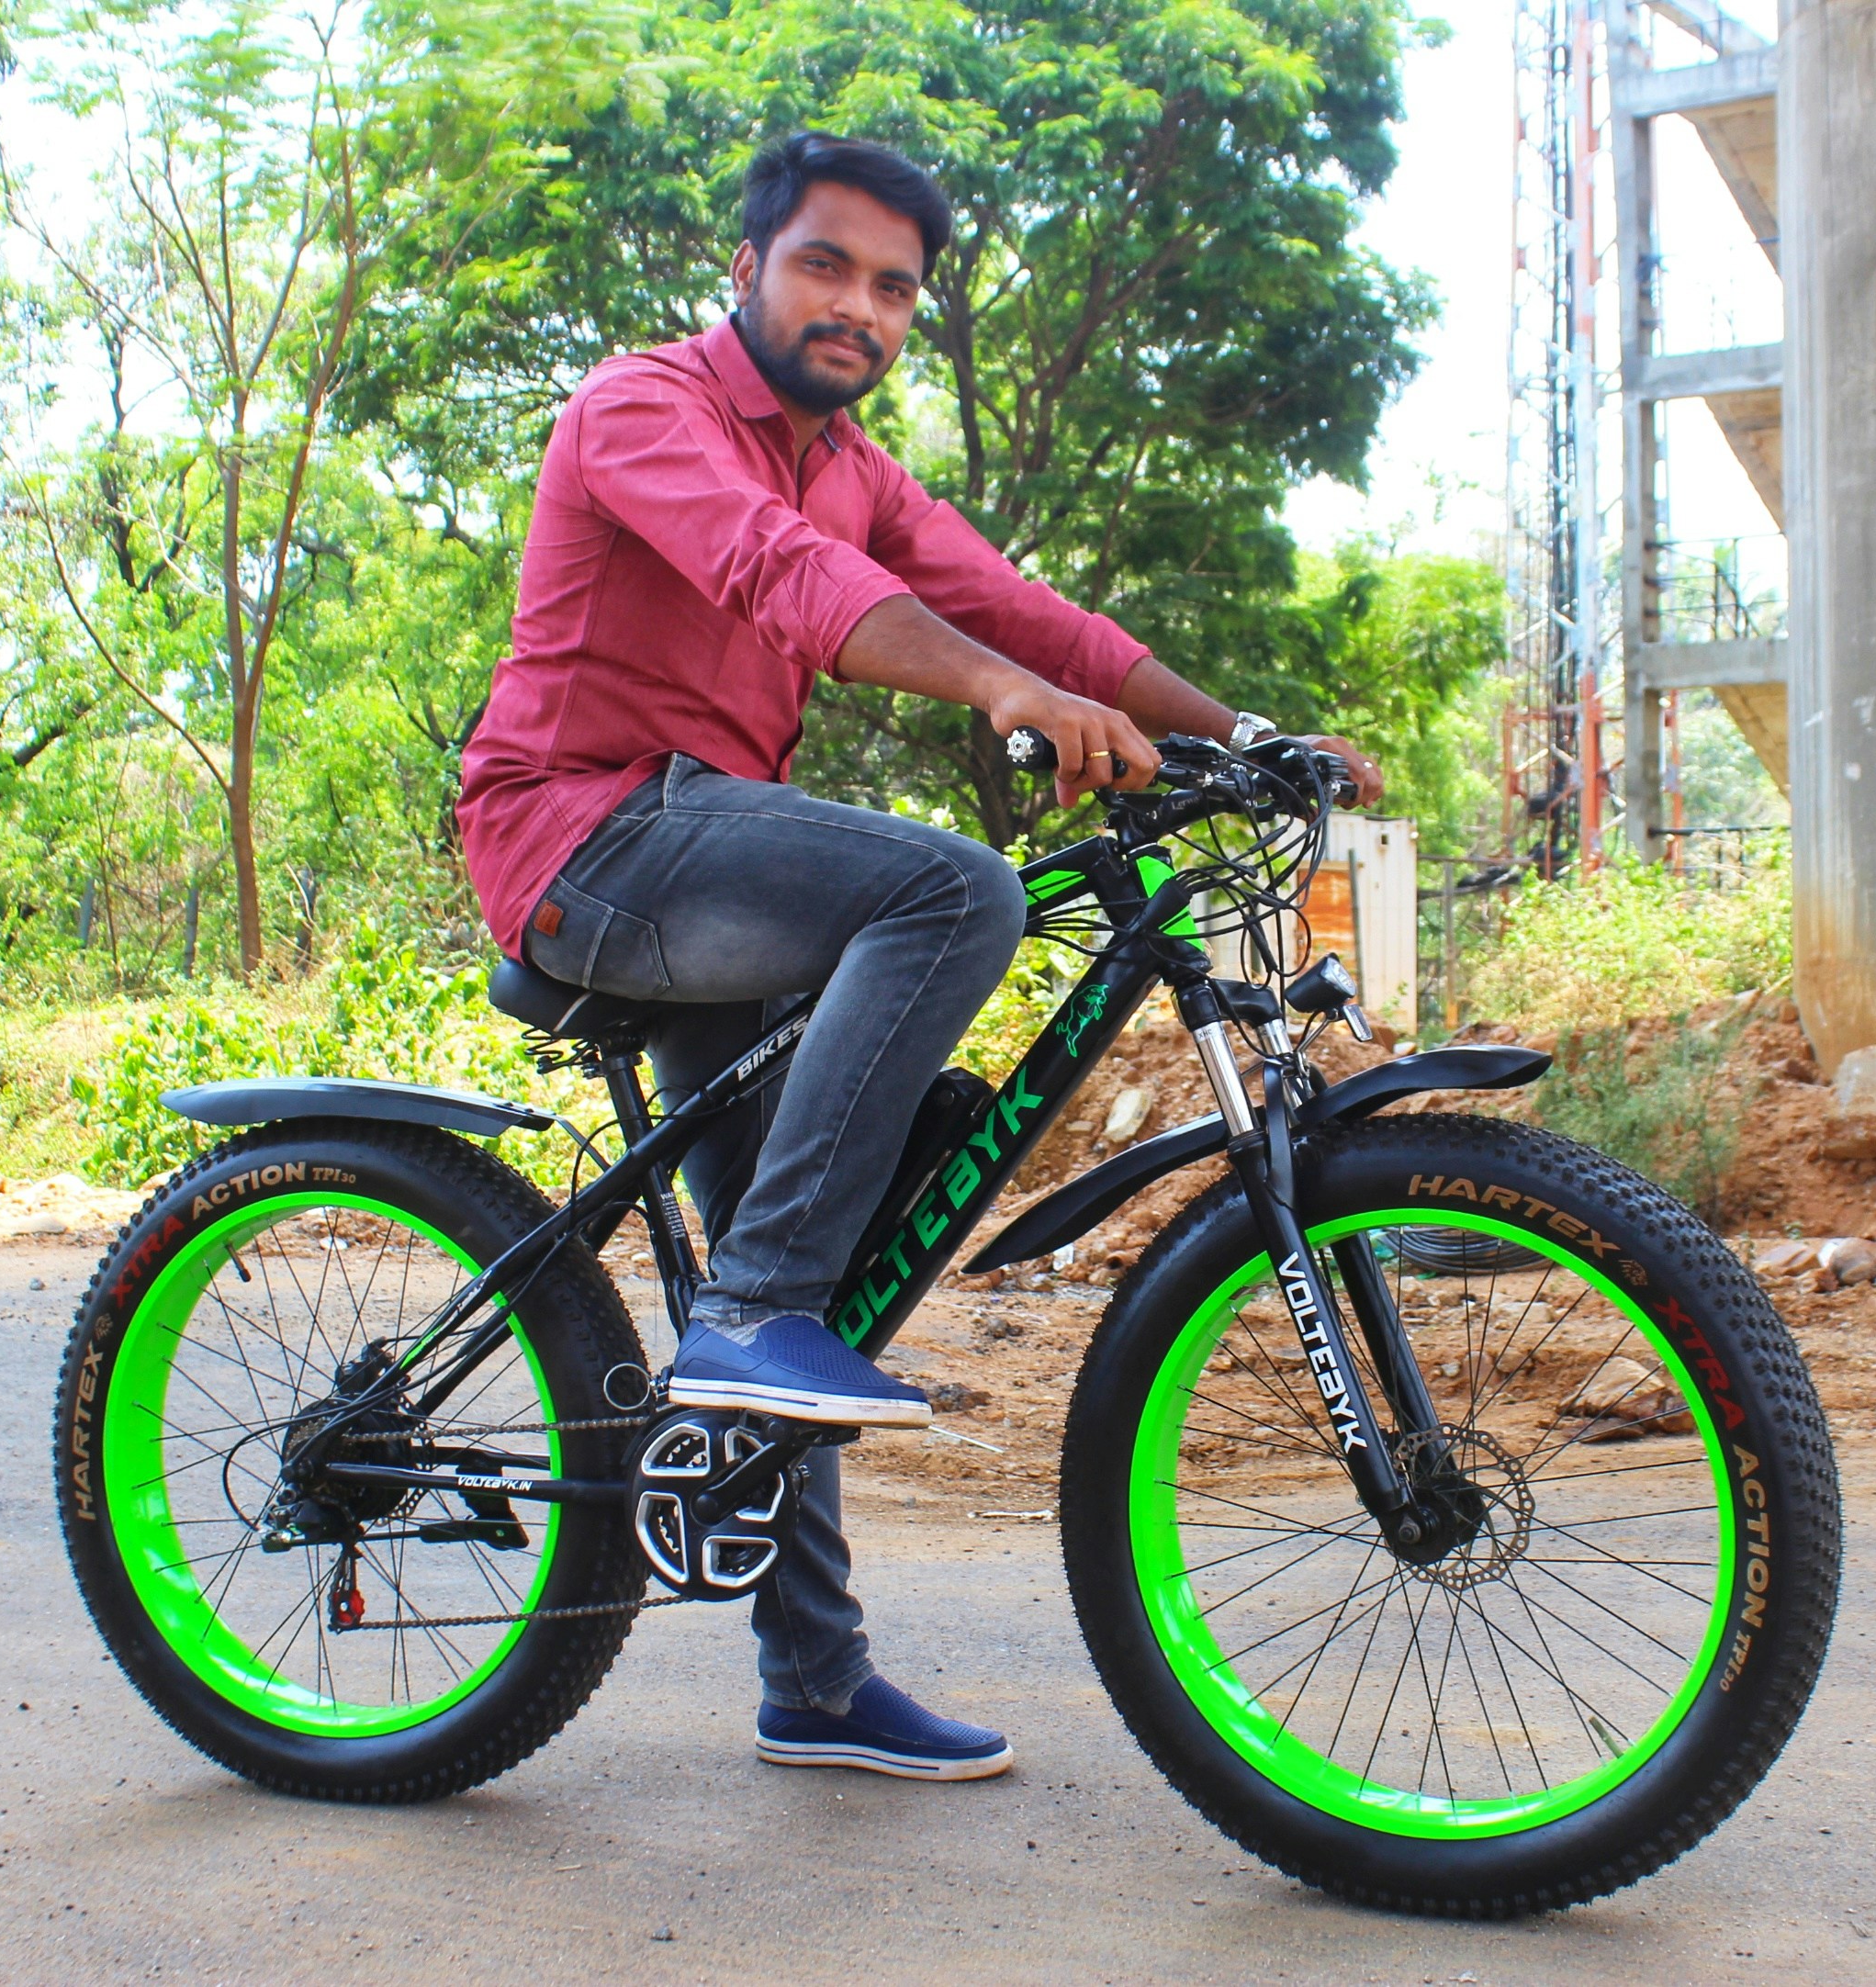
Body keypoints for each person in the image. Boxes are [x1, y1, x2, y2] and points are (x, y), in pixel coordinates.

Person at [458, 130, 1382, 1782]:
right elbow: (783, 577)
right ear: (745, 270)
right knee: (960, 893)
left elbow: (1032, 616)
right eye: (826, 265)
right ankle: (749, 1315)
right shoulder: (641, 408)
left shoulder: (856, 468)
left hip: (711, 846)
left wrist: (1248, 732)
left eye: (894, 287)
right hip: (583, 838)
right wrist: (999, 697)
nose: (860, 307)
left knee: (819, 1250)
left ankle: (812, 1675)